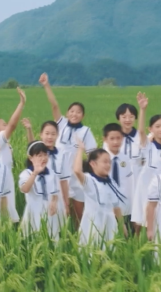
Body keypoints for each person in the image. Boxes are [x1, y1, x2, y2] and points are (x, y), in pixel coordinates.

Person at [40, 73, 94, 220]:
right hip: (57, 170)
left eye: (78, 112)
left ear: (83, 115)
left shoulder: (86, 131)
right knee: (57, 208)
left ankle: (78, 231)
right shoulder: (61, 124)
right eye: (72, 111)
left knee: (78, 209)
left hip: (75, 173)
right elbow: (54, 105)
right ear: (67, 113)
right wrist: (46, 85)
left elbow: (92, 155)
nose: (75, 114)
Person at [71, 143, 126, 248]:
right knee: (91, 250)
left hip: (109, 224)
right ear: (93, 164)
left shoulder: (111, 182)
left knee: (109, 250)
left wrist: (123, 227)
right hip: (92, 224)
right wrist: (80, 150)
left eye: (109, 162)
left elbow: (116, 207)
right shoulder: (89, 180)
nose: (108, 165)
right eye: (104, 162)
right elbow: (77, 171)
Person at [132, 113, 161, 235]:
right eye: (157, 126)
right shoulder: (148, 145)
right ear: (151, 129)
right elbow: (141, 131)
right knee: (141, 217)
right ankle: (137, 243)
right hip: (146, 187)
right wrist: (143, 109)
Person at [18, 142, 63, 238]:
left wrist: (54, 202)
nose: (43, 158)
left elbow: (55, 192)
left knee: (51, 237)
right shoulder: (26, 174)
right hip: (34, 211)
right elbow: (25, 189)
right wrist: (35, 173)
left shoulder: (52, 173)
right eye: (39, 155)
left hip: (49, 212)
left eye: (45, 154)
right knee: (33, 237)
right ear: (31, 158)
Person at [102, 123, 135, 234]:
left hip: (124, 206)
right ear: (105, 139)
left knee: (127, 235)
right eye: (112, 139)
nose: (115, 142)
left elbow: (129, 184)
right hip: (107, 205)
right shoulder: (100, 159)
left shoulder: (126, 159)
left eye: (118, 138)